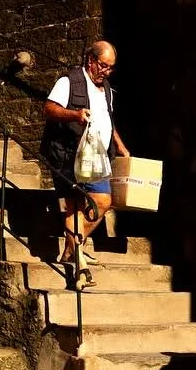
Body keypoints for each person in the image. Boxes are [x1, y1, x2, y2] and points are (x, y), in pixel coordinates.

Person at [39, 41, 130, 285]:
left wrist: (120, 146)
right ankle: (76, 257)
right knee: (73, 205)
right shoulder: (69, 81)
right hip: (68, 154)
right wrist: (75, 115)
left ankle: (71, 250)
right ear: (90, 60)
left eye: (111, 68)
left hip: (97, 157)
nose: (106, 71)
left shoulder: (107, 89)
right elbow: (49, 109)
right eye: (103, 65)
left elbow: (106, 120)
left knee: (102, 200)